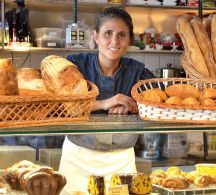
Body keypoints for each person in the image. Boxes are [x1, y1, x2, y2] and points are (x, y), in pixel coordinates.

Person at [59, 7, 155, 194]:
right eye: (108, 33)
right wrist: (106, 103)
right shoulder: (74, 65)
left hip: (122, 161)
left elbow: (158, 103)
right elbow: (61, 106)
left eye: (122, 35)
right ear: (95, 36)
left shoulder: (138, 71)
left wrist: (134, 107)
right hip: (78, 159)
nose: (114, 41)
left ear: (129, 40)